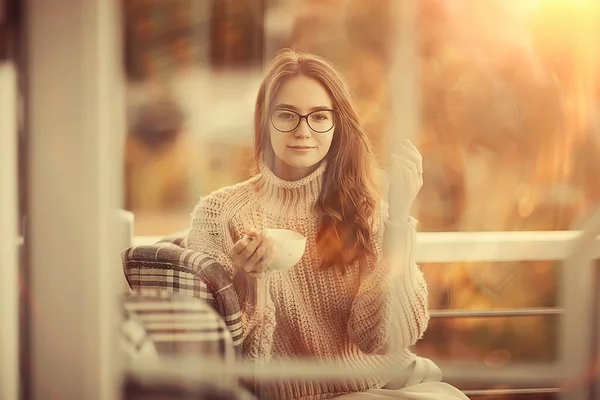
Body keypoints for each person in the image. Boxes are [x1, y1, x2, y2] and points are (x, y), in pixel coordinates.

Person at [185, 49, 469, 400]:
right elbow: (227, 359)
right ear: (263, 121)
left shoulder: (363, 204)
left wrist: (397, 220)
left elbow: (385, 338)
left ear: (337, 125)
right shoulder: (219, 214)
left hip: (383, 383)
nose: (303, 131)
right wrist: (250, 282)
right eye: (287, 115)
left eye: (319, 116)